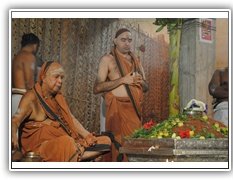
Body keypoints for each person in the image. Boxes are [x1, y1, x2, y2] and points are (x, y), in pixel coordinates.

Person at [12, 61, 111, 162]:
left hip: (67, 142)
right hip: (41, 148)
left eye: (61, 78)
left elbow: (72, 119)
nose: (60, 81)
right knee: (67, 143)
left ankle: (77, 153)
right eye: (56, 77)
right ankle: (78, 154)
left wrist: (89, 137)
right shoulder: (31, 97)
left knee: (106, 140)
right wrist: (12, 135)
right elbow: (15, 120)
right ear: (43, 77)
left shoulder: (58, 97)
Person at [93, 28, 148, 161]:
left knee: (133, 147)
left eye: (129, 40)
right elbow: (97, 88)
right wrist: (123, 80)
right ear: (115, 41)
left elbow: (146, 87)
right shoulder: (107, 60)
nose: (127, 43)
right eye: (123, 40)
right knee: (117, 147)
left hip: (134, 111)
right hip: (116, 110)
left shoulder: (136, 61)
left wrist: (141, 82)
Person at [12, 33, 40, 116]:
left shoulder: (17, 57)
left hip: (14, 97)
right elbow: (29, 83)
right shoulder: (29, 56)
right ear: (35, 45)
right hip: (22, 98)